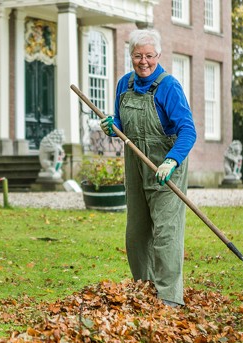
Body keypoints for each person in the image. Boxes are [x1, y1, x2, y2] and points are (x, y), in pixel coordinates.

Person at [100, 29, 197, 307]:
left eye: (150, 56)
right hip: (136, 165)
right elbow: (120, 121)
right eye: (138, 56)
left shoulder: (169, 87)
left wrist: (171, 160)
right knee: (136, 234)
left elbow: (188, 131)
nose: (144, 62)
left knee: (166, 234)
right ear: (130, 56)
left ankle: (169, 301)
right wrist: (112, 127)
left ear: (159, 56)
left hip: (166, 168)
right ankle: (145, 291)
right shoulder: (124, 84)